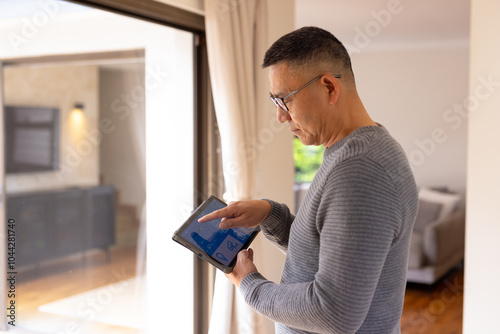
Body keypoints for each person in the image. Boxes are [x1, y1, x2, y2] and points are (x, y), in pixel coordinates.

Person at [199, 26, 418, 334]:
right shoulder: (356, 151)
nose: (281, 117)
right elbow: (330, 252)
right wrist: (269, 214)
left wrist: (248, 283)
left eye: (284, 100)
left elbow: (333, 313)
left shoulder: (360, 171)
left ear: (329, 87)